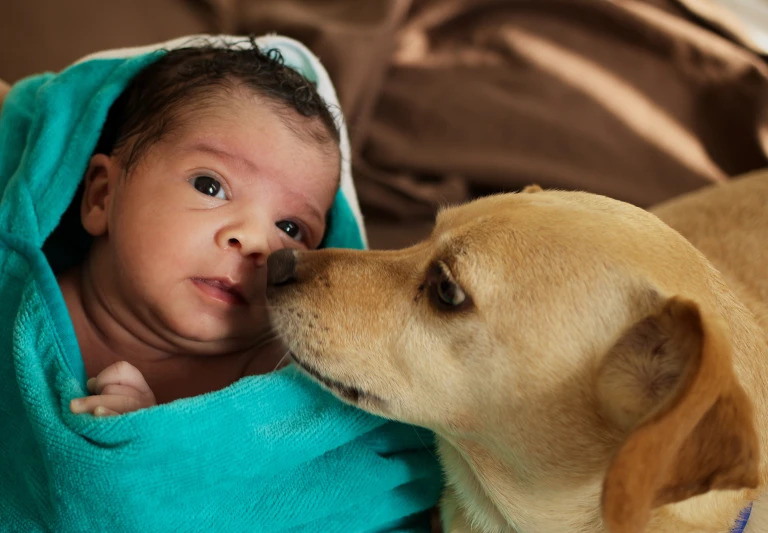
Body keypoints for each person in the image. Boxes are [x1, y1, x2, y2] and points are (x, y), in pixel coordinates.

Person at [0, 34, 440, 532]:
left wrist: (156, 450)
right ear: (102, 196)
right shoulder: (20, 303)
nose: (255, 241)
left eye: (291, 229)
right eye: (211, 186)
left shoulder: (275, 374)